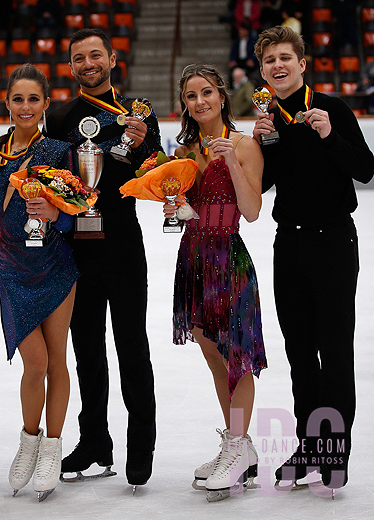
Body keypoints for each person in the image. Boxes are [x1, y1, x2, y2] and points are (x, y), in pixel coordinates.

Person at [252, 25, 374, 491]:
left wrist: (328, 135)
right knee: (300, 351)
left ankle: (333, 452)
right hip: (290, 245)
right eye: (269, 61)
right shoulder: (269, 119)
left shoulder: (333, 109)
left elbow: (364, 169)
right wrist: (260, 146)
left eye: (285, 58)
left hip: (334, 243)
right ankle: (309, 446)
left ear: (303, 64)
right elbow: (261, 189)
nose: (277, 66)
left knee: (335, 350)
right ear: (262, 71)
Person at [45, 28, 161, 490]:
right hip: (75, 249)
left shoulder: (137, 113)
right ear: (71, 65)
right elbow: (48, 174)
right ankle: (95, 441)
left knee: (132, 347)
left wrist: (144, 145)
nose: (88, 63)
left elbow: (157, 174)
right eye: (79, 57)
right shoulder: (59, 117)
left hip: (123, 245)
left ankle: (141, 447)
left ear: (113, 59)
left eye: (96, 55)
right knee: (86, 351)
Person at [0, 63, 79, 501]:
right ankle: (28, 439)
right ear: (7, 103)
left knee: (57, 362)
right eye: (18, 99)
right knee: (34, 364)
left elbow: (77, 215)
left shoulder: (60, 150)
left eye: (33, 99)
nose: (25, 106)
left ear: (45, 104)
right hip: (12, 270)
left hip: (55, 265)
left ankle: (51, 447)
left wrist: (57, 214)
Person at [168, 63, 266, 502]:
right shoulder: (183, 148)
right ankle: (235, 442)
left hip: (228, 258)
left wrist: (229, 159)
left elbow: (251, 210)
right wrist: (174, 205)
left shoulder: (245, 145)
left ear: (222, 96)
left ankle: (239, 446)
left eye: (206, 92)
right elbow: (176, 205)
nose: (200, 101)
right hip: (192, 257)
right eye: (191, 95)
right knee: (212, 355)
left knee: (235, 357)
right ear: (185, 104)